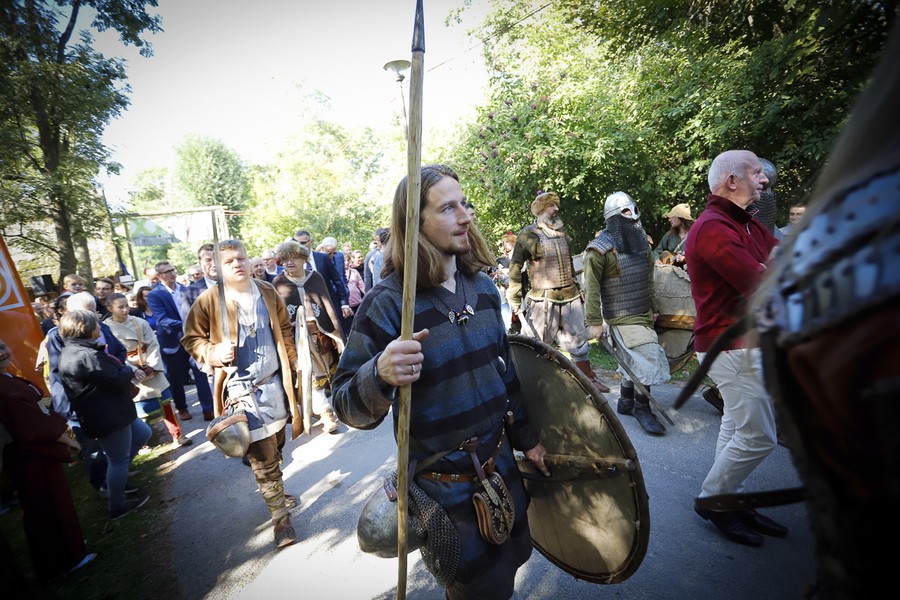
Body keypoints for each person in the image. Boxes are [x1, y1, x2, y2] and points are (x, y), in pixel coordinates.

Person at [331, 164, 550, 600]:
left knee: (515, 560)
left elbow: (506, 377)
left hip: (501, 467)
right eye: (448, 208)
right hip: (445, 490)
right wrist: (379, 373)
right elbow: (345, 405)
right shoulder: (389, 304)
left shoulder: (483, 288)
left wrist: (528, 440)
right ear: (414, 222)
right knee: (476, 589)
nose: (466, 216)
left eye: (464, 204)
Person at [685, 149, 786, 547]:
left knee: (736, 425)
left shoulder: (744, 223)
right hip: (730, 346)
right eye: (756, 172)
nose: (764, 179)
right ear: (731, 181)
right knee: (759, 436)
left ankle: (729, 496)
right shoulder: (713, 228)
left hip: (740, 343)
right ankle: (714, 500)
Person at [182, 239, 304, 550]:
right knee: (263, 456)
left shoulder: (266, 290)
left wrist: (293, 359)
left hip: (275, 385)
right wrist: (213, 352)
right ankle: (280, 518)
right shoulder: (209, 300)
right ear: (218, 268)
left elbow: (285, 327)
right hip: (240, 391)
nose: (237, 264)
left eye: (241, 258)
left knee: (276, 446)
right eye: (229, 261)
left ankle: (273, 485)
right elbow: (191, 339)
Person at [0, 338, 96, 579]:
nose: (1, 353)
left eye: (2, 346)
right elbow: (29, 423)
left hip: (30, 454)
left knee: (46, 505)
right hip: (29, 457)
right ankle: (64, 560)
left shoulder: (7, 379)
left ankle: (63, 554)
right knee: (46, 507)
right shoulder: (3, 388)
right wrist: (68, 441)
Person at [584, 192, 670, 435]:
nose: (632, 216)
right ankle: (642, 408)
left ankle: (625, 401)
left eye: (633, 210)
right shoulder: (599, 250)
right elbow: (591, 288)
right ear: (614, 218)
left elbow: (648, 280)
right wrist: (594, 322)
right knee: (646, 357)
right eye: (625, 212)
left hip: (642, 312)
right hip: (621, 316)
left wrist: (653, 307)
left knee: (634, 358)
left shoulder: (642, 244)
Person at [507, 191, 611, 392]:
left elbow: (568, 262)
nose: (556, 209)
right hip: (543, 300)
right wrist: (515, 297)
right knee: (537, 343)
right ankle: (537, 383)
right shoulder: (528, 235)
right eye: (551, 206)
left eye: (556, 205)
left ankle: (587, 380)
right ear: (540, 209)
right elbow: (515, 266)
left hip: (570, 296)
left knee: (579, 341)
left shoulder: (562, 232)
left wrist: (578, 286)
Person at [57, 310, 152, 520]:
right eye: (97, 324)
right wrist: (129, 369)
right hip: (108, 417)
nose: (100, 327)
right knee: (118, 461)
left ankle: (115, 481)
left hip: (113, 413)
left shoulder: (76, 351)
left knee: (142, 434)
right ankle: (117, 505)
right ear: (86, 328)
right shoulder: (86, 356)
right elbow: (116, 380)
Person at [46, 292, 128, 496]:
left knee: (122, 446)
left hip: (109, 395)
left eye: (94, 311)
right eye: (87, 312)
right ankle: (103, 485)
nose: (94, 317)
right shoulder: (58, 336)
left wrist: (115, 365)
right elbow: (60, 373)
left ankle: (117, 477)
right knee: (93, 448)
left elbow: (118, 350)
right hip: (82, 401)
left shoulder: (102, 327)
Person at [271, 240, 344, 434]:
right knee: (309, 374)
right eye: (285, 259)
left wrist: (335, 335)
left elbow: (327, 305)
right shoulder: (278, 283)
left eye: (293, 258)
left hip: (321, 335)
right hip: (295, 339)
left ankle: (319, 408)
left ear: (303, 259)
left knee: (326, 374)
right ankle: (326, 414)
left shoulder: (315, 278)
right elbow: (278, 316)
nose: (288, 263)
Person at [103, 293, 191, 447]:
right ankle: (144, 443)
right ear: (110, 308)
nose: (125, 310)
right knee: (140, 410)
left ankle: (177, 435)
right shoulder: (105, 328)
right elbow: (111, 353)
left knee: (166, 404)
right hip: (129, 369)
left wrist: (152, 365)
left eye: (126, 306)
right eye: (120, 307)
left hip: (150, 366)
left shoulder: (139, 322)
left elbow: (153, 344)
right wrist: (132, 368)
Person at [146, 261, 215, 421]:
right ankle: (182, 407)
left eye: (173, 270)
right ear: (159, 276)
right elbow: (162, 320)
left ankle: (208, 408)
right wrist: (188, 325)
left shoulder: (185, 289)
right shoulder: (155, 295)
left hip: (193, 339)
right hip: (171, 343)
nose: (172, 273)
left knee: (201, 373)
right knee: (175, 378)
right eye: (167, 272)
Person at [293, 230, 353, 338]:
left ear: (311, 242)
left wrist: (344, 303)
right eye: (296, 243)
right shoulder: (293, 263)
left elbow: (338, 281)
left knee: (339, 336)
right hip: (308, 310)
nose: (299, 246)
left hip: (330, 304)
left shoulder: (323, 258)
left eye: (303, 243)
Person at [652, 203, 694, 267]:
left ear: (681, 218)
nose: (669, 220)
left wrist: (685, 259)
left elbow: (700, 257)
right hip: (669, 271)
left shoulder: (694, 236)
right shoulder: (669, 235)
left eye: (673, 217)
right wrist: (657, 259)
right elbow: (657, 251)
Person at [493, 231, 517, 331]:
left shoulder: (517, 256)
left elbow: (518, 271)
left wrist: (502, 272)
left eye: (506, 242)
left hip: (515, 289)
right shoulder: (504, 257)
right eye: (504, 242)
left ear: (513, 242)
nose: (504, 245)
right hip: (504, 289)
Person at [345, 249, 366, 322]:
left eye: (348, 260)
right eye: (344, 261)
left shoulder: (354, 271)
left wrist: (367, 295)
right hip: (347, 305)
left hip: (357, 302)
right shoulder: (338, 273)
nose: (346, 262)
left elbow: (361, 285)